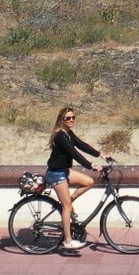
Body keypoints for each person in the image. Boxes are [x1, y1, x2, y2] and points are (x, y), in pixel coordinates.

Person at [44, 106, 105, 252]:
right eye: (68, 118)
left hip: (64, 171)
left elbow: (81, 145)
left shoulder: (68, 133)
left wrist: (100, 154)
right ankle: (68, 241)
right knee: (67, 208)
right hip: (56, 173)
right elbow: (74, 153)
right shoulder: (60, 135)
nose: (71, 120)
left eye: (73, 117)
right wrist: (91, 166)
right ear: (61, 120)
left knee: (89, 182)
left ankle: (68, 202)